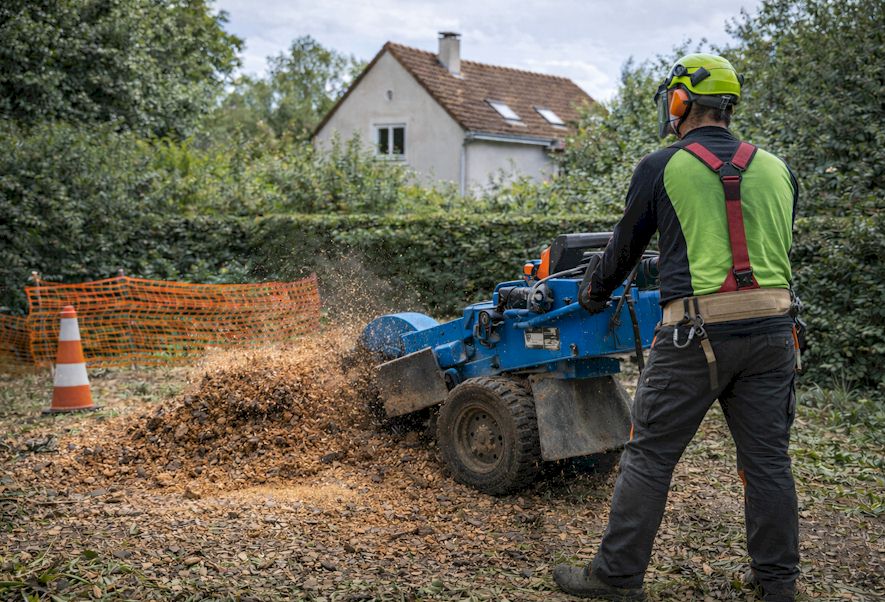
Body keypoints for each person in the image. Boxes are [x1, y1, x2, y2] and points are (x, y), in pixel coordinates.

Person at [552, 53, 800, 601]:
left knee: (650, 456)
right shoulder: (777, 167)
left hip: (694, 337)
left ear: (681, 101)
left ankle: (614, 579)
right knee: (767, 463)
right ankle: (779, 585)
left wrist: (593, 294)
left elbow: (621, 251)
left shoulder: (662, 165)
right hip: (774, 334)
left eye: (672, 98)